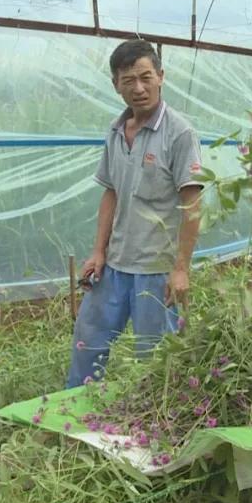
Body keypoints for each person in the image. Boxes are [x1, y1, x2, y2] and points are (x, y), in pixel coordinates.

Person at [66, 39, 203, 389]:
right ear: (116, 85)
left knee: (157, 362)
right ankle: (74, 417)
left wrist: (181, 268)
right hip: (114, 266)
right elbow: (111, 192)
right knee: (88, 344)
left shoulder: (180, 132)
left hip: (156, 272)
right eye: (129, 80)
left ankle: (157, 427)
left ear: (161, 76)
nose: (139, 88)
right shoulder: (115, 131)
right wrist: (99, 251)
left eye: (146, 77)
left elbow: (192, 204)